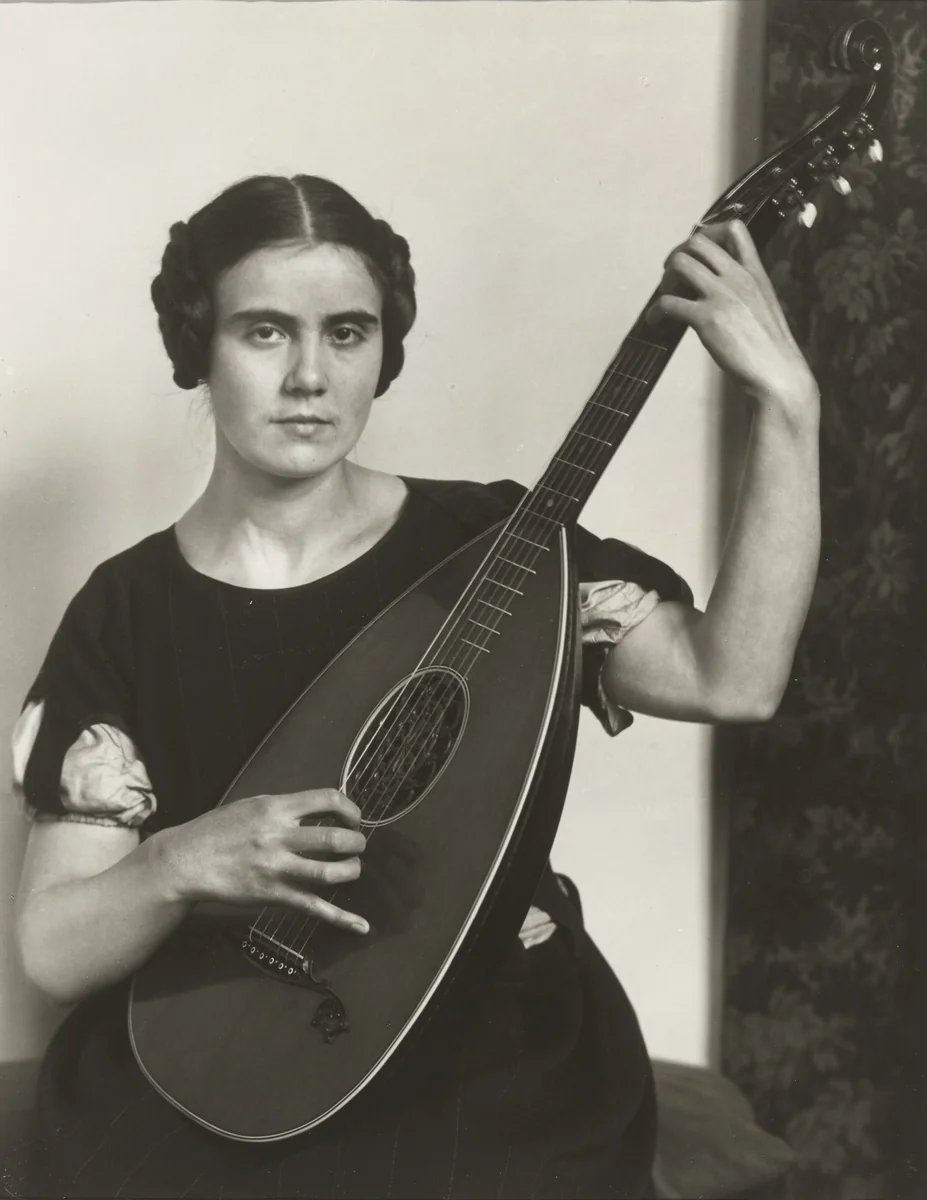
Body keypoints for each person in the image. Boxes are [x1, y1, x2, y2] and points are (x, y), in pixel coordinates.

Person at [7, 174, 820, 1199]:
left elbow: (731, 678)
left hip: (488, 1045)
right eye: (264, 332)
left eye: (347, 333)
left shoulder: (497, 546)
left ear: (384, 352)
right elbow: (54, 949)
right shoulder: (127, 609)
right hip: (230, 1040)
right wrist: (179, 860)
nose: (310, 375)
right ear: (196, 350)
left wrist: (788, 410)